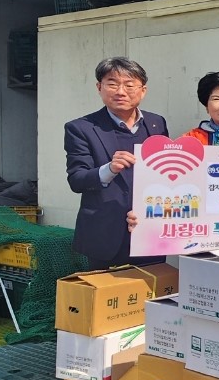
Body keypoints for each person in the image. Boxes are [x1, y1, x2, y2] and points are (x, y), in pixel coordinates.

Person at [64, 57, 168, 269]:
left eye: (129, 85)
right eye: (112, 84)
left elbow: (165, 176)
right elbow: (77, 180)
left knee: (154, 287)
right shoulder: (81, 128)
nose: (121, 92)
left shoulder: (156, 123)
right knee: (107, 290)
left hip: (149, 230)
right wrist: (109, 169)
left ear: (143, 91)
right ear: (99, 87)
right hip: (105, 235)